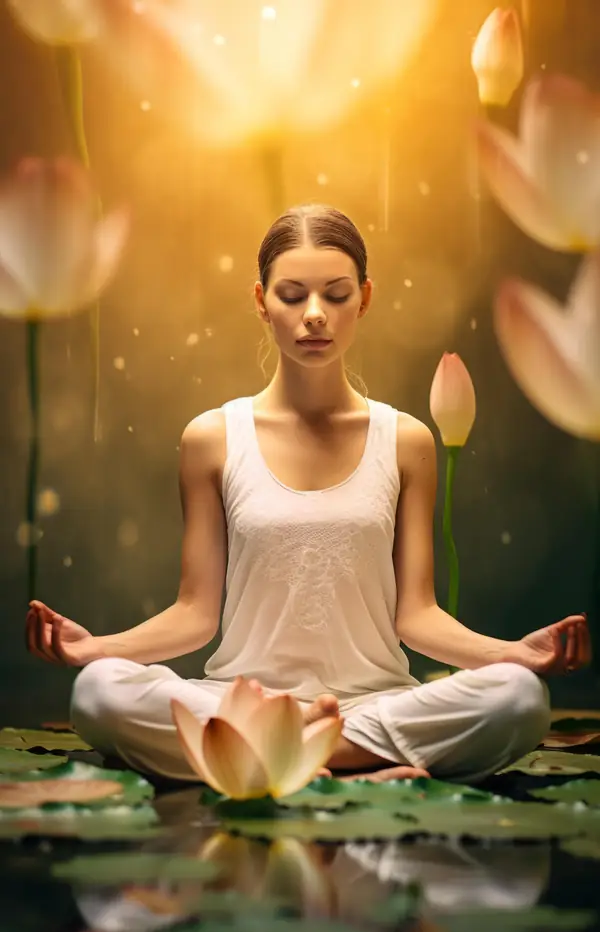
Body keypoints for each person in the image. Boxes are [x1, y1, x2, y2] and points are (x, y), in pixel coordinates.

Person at [25, 205, 591, 785]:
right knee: (98, 693)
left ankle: (283, 762)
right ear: (261, 300)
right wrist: (96, 648)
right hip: (239, 702)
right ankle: (351, 767)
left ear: (365, 298)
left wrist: (513, 655)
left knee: (519, 699)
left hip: (373, 706)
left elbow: (417, 617)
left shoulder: (407, 441)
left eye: (337, 295)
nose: (314, 315)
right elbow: (196, 615)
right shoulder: (212, 439)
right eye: (292, 295)